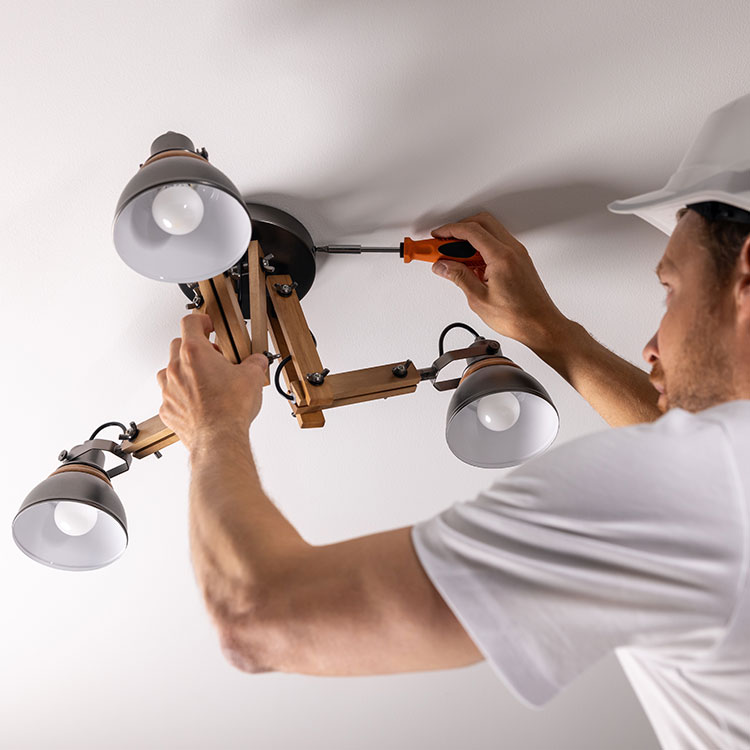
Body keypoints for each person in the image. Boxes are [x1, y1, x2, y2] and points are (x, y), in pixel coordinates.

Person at [156, 95, 750, 750]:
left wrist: (213, 425)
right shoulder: (711, 491)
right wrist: (546, 331)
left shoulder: (693, 489)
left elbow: (256, 616)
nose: (651, 344)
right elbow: (698, 473)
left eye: (669, 289)